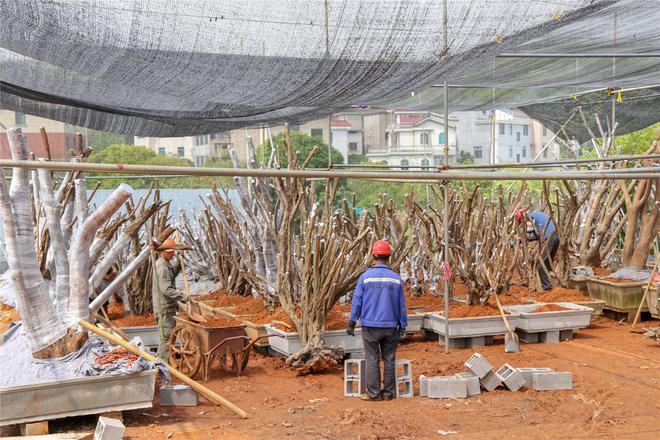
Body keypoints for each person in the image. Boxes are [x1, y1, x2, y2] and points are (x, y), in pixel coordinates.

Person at [347, 240, 407, 401]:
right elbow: (402, 305)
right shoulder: (396, 278)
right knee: (389, 359)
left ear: (373, 255)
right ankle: (388, 393)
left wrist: (352, 322)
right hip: (390, 327)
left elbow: (357, 301)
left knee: (372, 359)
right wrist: (403, 326)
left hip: (370, 327)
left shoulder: (365, 277)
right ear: (388, 256)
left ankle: (373, 394)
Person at [153, 237, 185, 359]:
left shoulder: (165, 264)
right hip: (164, 309)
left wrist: (179, 264)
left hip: (165, 307)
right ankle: (160, 367)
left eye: (173, 252)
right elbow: (166, 289)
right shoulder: (162, 267)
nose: (172, 254)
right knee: (166, 340)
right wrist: (183, 297)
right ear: (163, 251)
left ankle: (162, 366)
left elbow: (170, 277)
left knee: (167, 338)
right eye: (170, 252)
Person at [516, 208, 558, 291]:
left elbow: (534, 233)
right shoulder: (536, 215)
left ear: (523, 216)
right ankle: (550, 284)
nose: (524, 223)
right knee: (547, 263)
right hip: (556, 237)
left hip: (550, 238)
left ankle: (546, 288)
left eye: (522, 221)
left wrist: (521, 239)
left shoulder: (532, 217)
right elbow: (537, 234)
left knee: (541, 263)